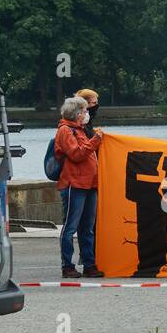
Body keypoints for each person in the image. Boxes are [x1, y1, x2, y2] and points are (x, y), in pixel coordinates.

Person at [55, 96, 104, 279]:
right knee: (70, 227)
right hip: (74, 184)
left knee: (87, 227)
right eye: (84, 111)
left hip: (89, 184)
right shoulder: (66, 131)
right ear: (77, 113)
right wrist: (96, 140)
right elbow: (76, 154)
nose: (87, 114)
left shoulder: (80, 130)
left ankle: (89, 264)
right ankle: (67, 265)